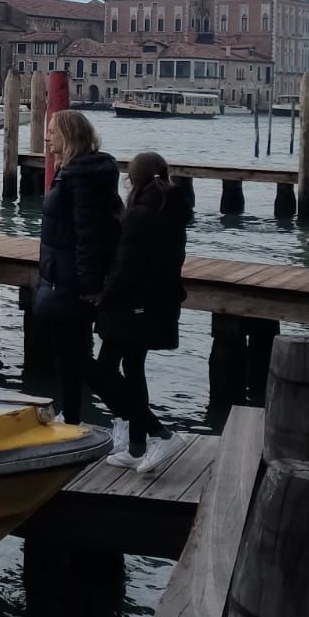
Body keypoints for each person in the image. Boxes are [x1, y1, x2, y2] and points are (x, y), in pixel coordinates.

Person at [97, 151, 189, 472]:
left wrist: (104, 298)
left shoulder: (139, 216)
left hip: (133, 306)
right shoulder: (173, 210)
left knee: (105, 371)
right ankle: (136, 446)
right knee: (133, 367)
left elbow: (126, 267)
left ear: (132, 180)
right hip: (158, 303)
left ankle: (160, 433)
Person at [34, 110, 122, 427]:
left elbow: (88, 235)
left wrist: (88, 288)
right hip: (62, 276)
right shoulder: (72, 173)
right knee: (68, 359)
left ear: (69, 136)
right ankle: (70, 420)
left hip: (71, 283)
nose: (47, 136)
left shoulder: (78, 179)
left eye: (53, 131)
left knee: (79, 361)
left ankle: (145, 424)